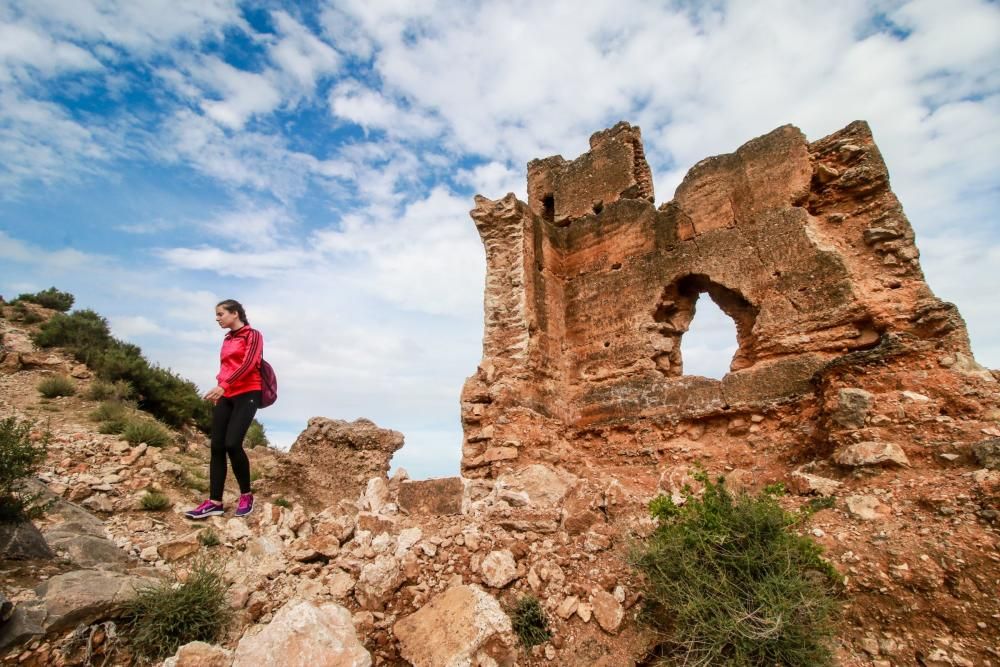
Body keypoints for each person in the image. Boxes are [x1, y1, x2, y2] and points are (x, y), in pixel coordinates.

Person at [185, 299, 262, 519]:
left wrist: (223, 385)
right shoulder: (228, 338)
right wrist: (221, 387)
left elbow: (248, 364)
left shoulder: (253, 335)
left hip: (248, 393)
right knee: (217, 446)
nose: (217, 318)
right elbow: (226, 367)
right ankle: (214, 502)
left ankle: (246, 495)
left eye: (220, 314)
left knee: (232, 443)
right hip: (226, 394)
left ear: (235, 313)